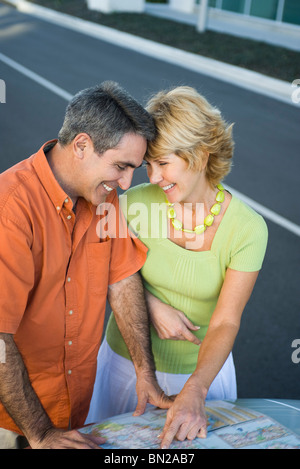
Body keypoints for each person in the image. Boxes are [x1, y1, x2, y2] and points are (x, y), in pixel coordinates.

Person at [87, 86, 268, 448]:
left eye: (163, 163)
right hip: (124, 365)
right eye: (148, 164)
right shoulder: (133, 204)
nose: (152, 177)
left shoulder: (248, 229)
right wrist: (151, 306)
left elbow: (226, 321)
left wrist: (196, 389)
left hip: (203, 377)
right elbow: (104, 274)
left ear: (200, 155)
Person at [0, 81, 172, 449]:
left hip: (75, 415)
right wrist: (41, 434)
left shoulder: (103, 199)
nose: (126, 184)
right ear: (81, 146)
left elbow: (123, 281)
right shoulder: (10, 210)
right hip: (14, 423)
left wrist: (145, 374)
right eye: (121, 167)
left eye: (134, 170)